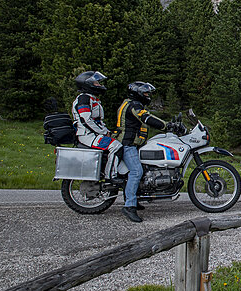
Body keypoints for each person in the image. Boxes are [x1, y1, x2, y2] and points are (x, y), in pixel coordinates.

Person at [114, 81, 168, 223]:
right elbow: (147, 118)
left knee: (142, 169)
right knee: (136, 171)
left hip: (131, 143)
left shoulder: (131, 103)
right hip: (127, 144)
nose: (147, 95)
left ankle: (134, 198)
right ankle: (129, 206)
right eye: (145, 93)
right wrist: (166, 126)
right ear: (137, 93)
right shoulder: (134, 105)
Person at [71, 71, 123, 180]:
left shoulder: (91, 98)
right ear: (87, 84)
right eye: (96, 83)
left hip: (93, 133)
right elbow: (86, 120)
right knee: (116, 147)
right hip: (88, 135)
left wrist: (108, 131)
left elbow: (98, 121)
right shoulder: (84, 98)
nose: (99, 85)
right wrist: (103, 132)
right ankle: (110, 176)